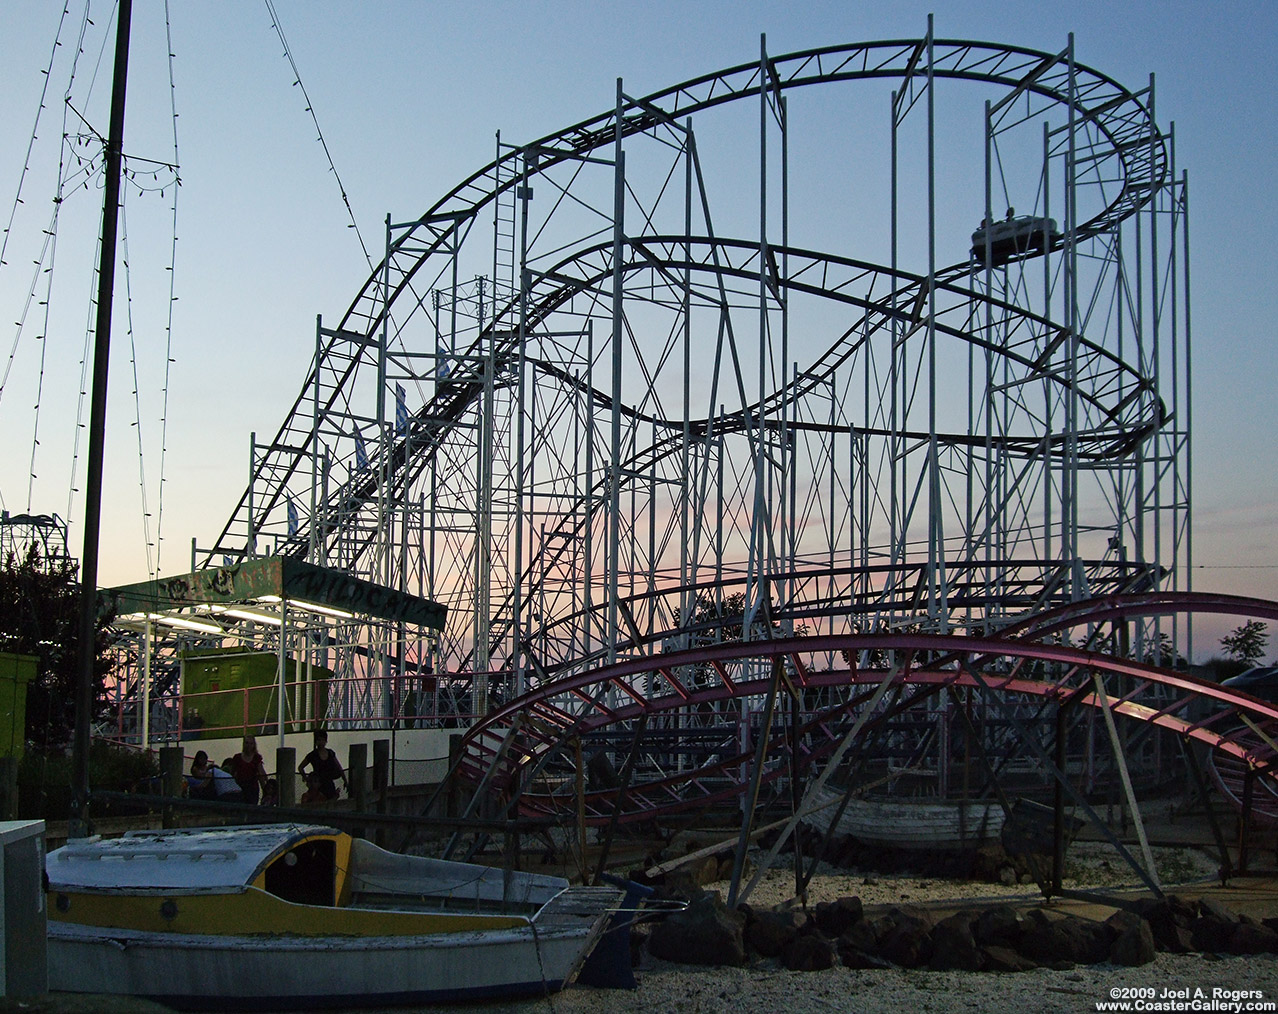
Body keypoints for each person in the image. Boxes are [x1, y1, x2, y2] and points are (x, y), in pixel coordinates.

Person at [297, 730, 346, 801]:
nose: (321, 742)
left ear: (326, 741)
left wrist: (345, 780)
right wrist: (307, 779)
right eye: (319, 740)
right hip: (318, 786)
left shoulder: (330, 753)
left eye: (323, 740)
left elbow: (339, 767)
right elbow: (300, 767)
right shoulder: (312, 755)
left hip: (329, 784)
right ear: (316, 742)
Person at [226, 734, 268, 805]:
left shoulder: (256, 758)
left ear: (254, 745)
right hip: (240, 787)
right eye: (247, 743)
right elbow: (232, 773)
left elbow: (261, 774)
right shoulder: (237, 758)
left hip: (252, 788)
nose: (248, 746)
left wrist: (265, 790)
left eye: (251, 743)